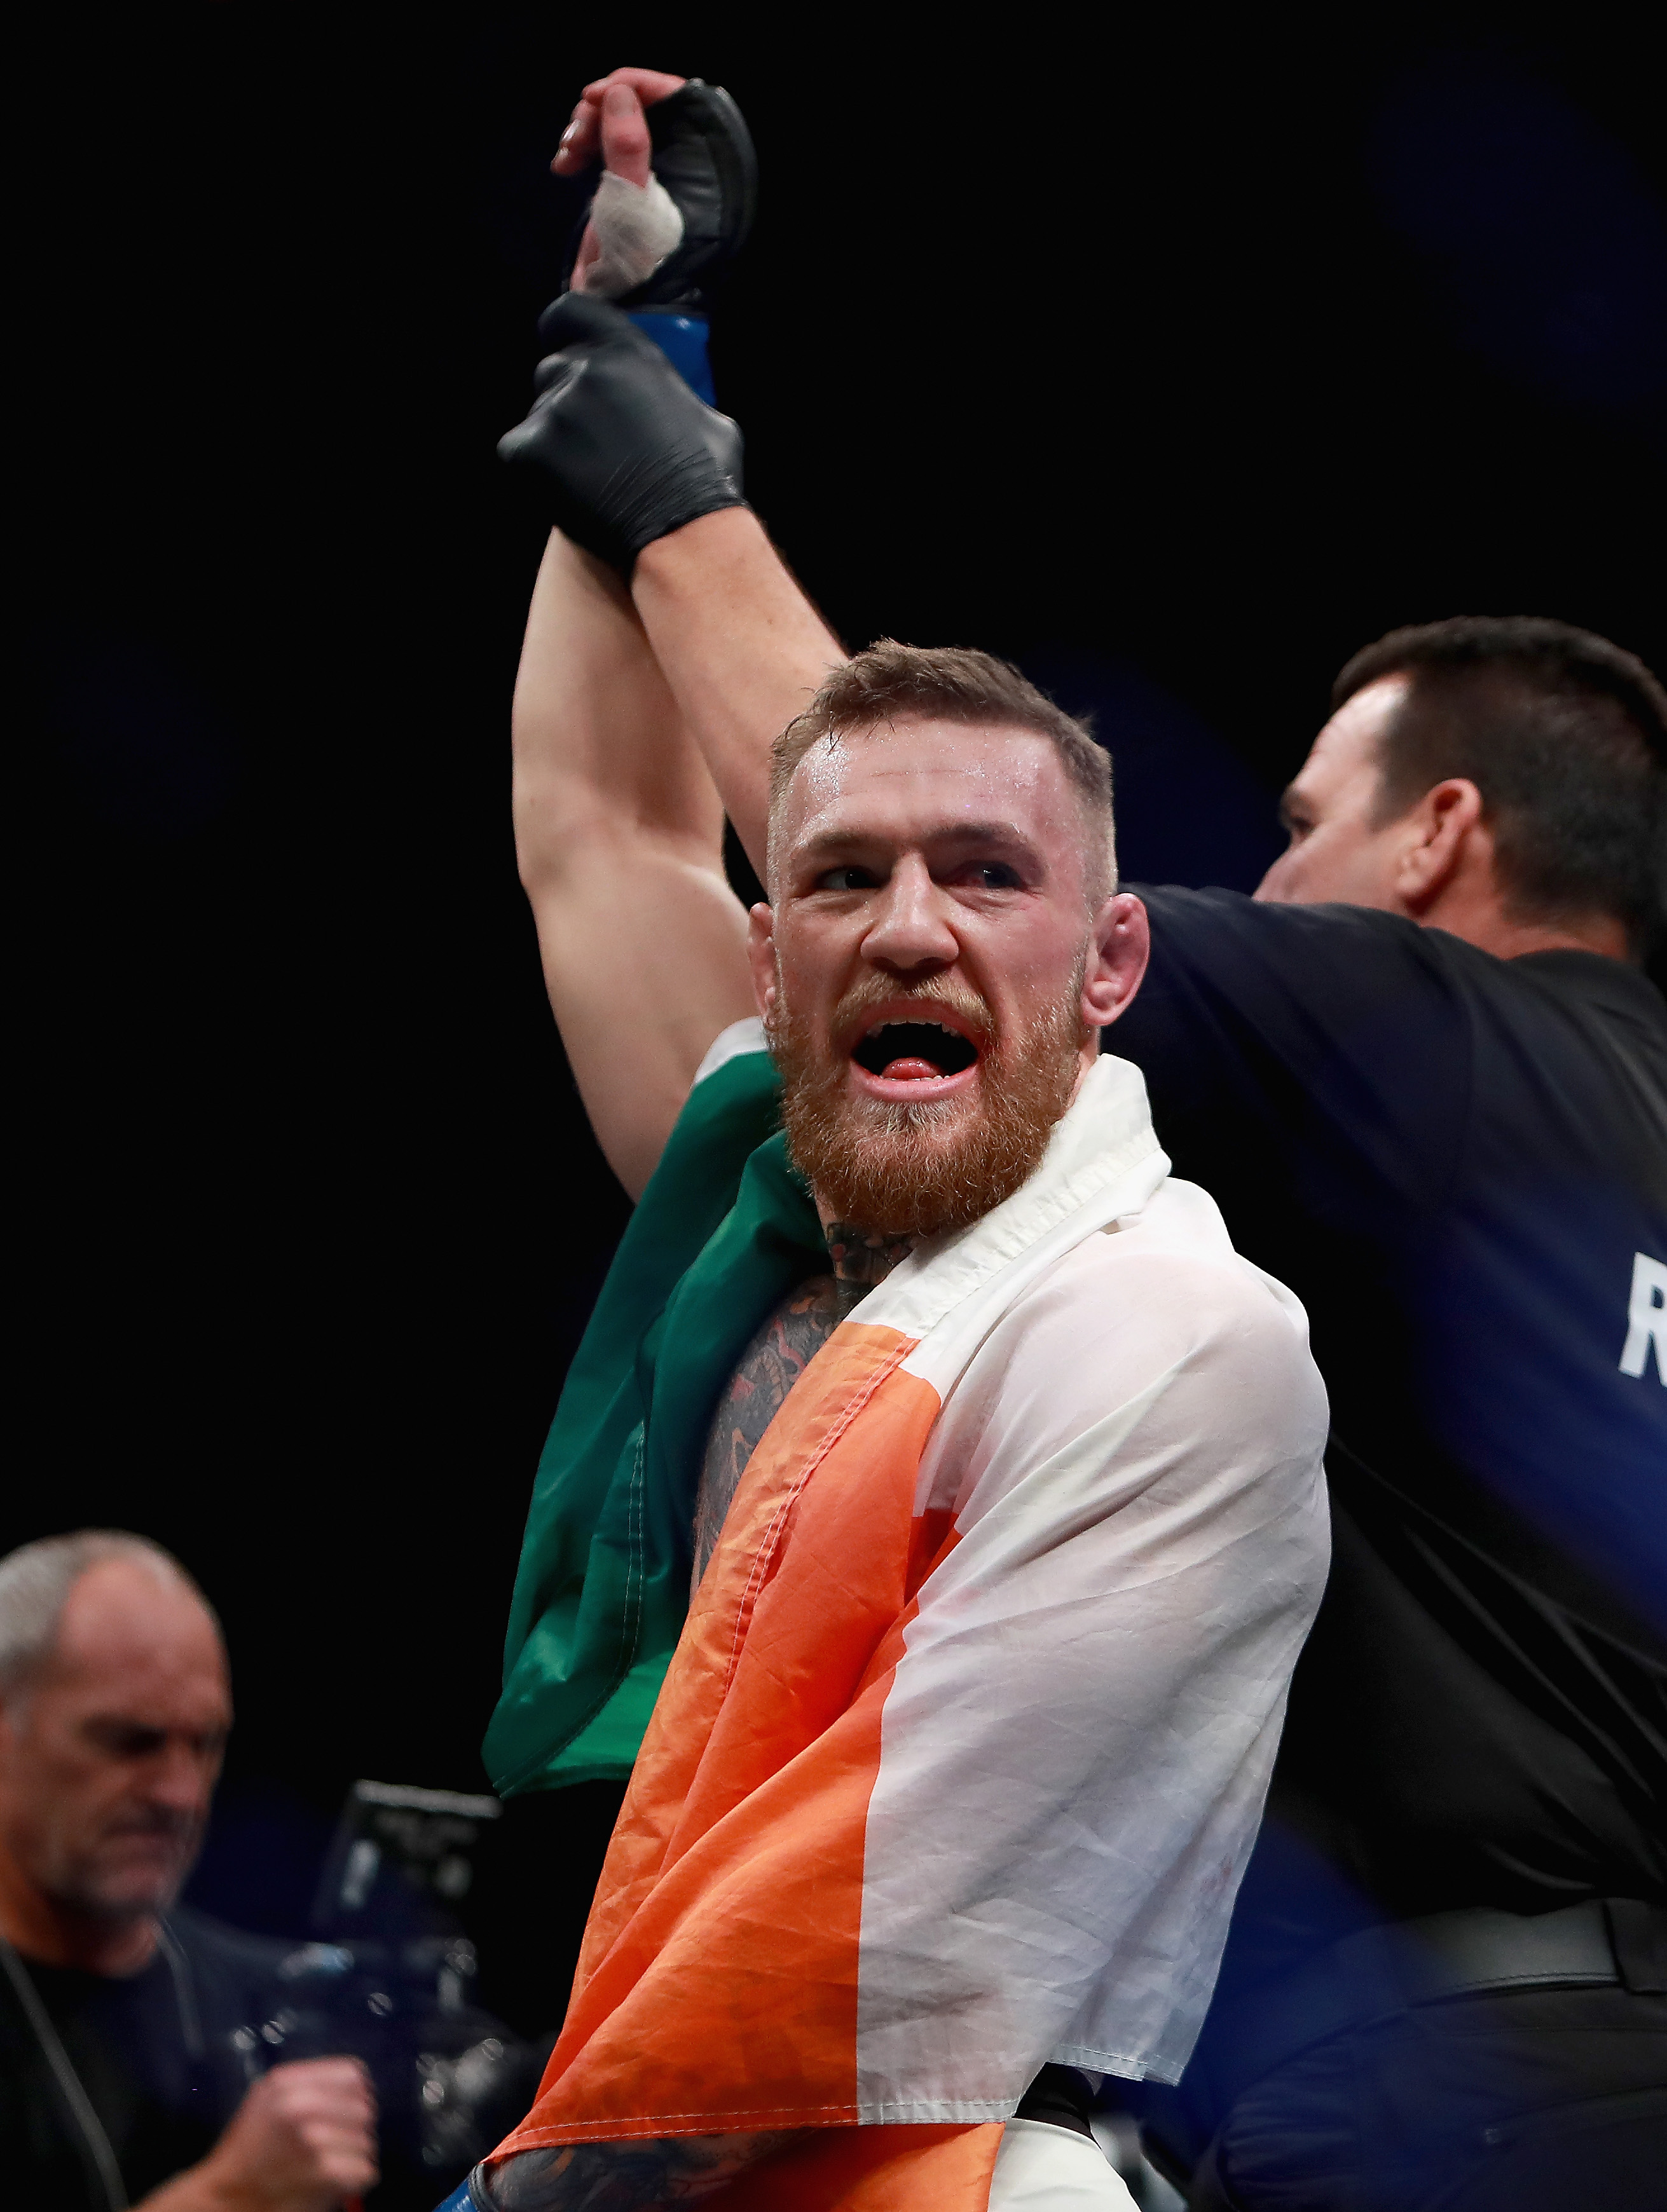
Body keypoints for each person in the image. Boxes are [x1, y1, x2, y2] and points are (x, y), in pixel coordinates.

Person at [484, 67, 1667, 2209]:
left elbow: (855, 830)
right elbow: (614, 843)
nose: (915, 937)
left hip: (1372, 2083)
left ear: (1442, 842)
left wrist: (664, 473)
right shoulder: (951, 1182)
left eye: (1303, 831)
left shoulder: (1355, 1094)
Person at [464, 584, 1330, 2206]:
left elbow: (904, 1920)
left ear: (1108, 961)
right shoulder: (732, 1189)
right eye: (844, 879)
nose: (908, 925)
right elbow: (596, 826)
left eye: (987, 875)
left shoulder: (1159, 1324)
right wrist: (622, 416)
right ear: (771, 962)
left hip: (924, 2136)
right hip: (601, 2090)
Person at [0, 1529, 380, 2210]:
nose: (180, 1793)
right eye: (129, 1742)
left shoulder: (271, 1998)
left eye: (204, 1745)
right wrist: (228, 2199)